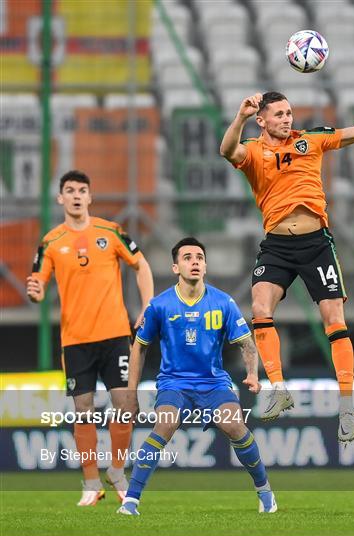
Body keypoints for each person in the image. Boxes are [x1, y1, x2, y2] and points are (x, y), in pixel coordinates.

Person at [220, 72, 354, 441]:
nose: (286, 119)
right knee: (260, 307)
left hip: (316, 244)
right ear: (262, 119)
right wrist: (240, 116)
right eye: (278, 114)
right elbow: (226, 150)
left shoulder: (311, 141)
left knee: (334, 321)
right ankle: (278, 391)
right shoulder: (251, 150)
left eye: (289, 113)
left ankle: (346, 411)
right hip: (277, 245)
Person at [117, 237, 276, 516]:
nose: (195, 262)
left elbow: (246, 343)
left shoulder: (222, 302)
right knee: (163, 427)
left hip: (213, 382)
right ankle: (131, 501)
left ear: (205, 266)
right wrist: (131, 395)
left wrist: (252, 373)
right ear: (175, 267)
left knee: (235, 426)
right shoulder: (160, 305)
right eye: (188, 257)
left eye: (200, 258)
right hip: (173, 383)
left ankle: (265, 493)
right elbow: (139, 347)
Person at [26, 170, 154, 505]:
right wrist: (36, 291)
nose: (77, 196)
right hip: (76, 339)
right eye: (70, 191)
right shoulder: (51, 241)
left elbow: (141, 266)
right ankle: (90, 483)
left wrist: (147, 306)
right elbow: (37, 286)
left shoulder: (110, 232)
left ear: (90, 196)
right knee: (83, 410)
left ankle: (116, 471)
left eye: (82, 190)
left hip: (114, 335)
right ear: (61, 198)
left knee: (124, 405)